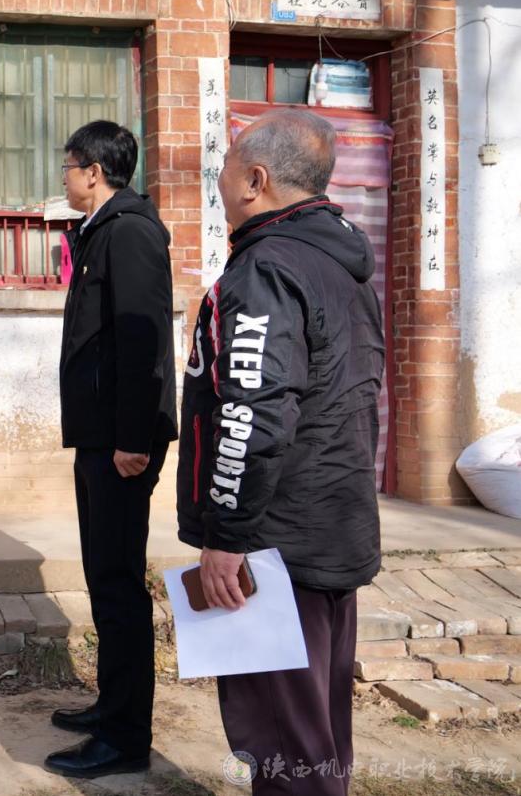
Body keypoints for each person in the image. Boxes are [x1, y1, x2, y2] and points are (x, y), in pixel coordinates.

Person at [177, 108, 383, 795]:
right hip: (331, 524)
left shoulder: (267, 268)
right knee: (315, 737)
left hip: (277, 546)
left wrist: (226, 537)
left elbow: (252, 412)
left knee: (283, 744)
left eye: (226, 168)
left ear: (255, 180)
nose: (220, 182)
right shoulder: (340, 264)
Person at [47, 121, 177, 779]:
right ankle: (111, 706)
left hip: (122, 443)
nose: (64, 177)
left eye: (69, 167)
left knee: (120, 583)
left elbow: (142, 339)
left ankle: (126, 739)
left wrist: (132, 437)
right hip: (100, 435)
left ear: (93, 171)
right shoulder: (101, 228)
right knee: (103, 574)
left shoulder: (129, 232)